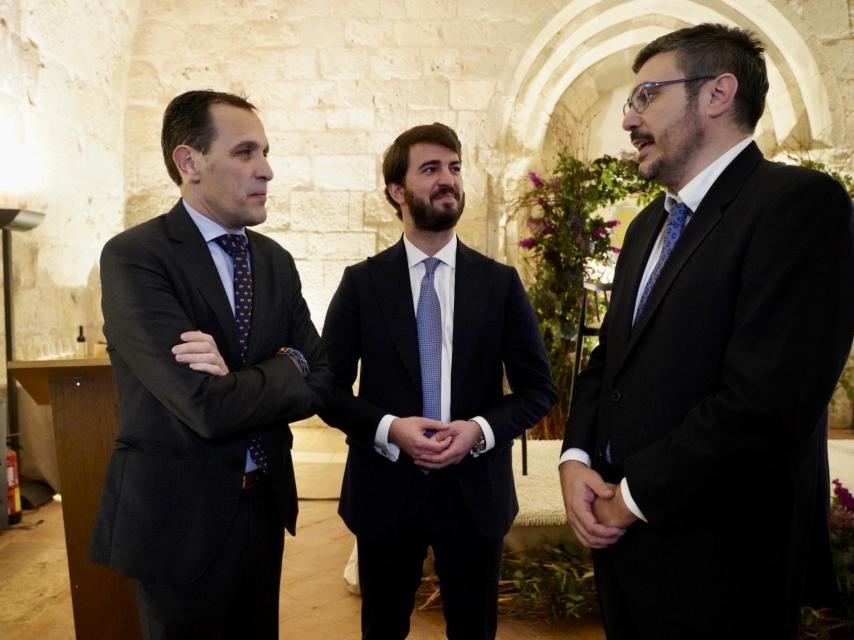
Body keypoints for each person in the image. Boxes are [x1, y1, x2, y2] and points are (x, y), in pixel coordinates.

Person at [559, 23, 854, 639]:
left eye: (646, 96)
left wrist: (632, 497)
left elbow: (767, 403)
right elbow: (610, 358)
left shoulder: (798, 206)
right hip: (626, 554)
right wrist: (576, 457)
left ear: (717, 94)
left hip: (724, 558)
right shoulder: (646, 227)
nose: (628, 120)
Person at [89, 90, 331, 639]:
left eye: (265, 152)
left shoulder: (274, 260)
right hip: (176, 516)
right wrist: (285, 367)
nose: (266, 170)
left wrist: (265, 371)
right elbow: (203, 406)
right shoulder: (135, 256)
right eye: (245, 152)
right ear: (189, 162)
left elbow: (322, 375)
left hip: (263, 508)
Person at [320, 122, 556, 639]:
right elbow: (327, 389)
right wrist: (387, 429)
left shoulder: (499, 284)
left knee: (474, 631)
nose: (447, 180)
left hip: (474, 494)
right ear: (397, 191)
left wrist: (479, 431)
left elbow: (539, 390)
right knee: (382, 629)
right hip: (385, 490)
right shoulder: (362, 285)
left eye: (453, 168)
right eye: (430, 169)